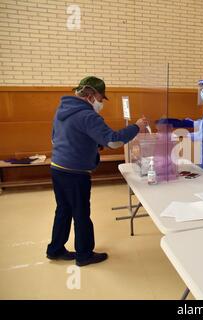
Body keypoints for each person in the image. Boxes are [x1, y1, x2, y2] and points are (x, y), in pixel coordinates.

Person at [46, 76, 148, 267]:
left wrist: (90, 145)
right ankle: (84, 255)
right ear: (91, 95)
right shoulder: (87, 115)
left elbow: (56, 138)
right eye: (101, 99)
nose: (101, 103)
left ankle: (55, 249)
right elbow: (113, 141)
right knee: (81, 213)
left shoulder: (62, 109)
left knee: (63, 210)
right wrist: (137, 127)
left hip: (57, 168)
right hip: (75, 172)